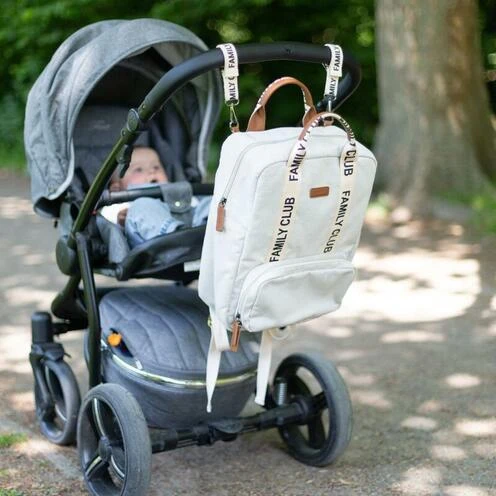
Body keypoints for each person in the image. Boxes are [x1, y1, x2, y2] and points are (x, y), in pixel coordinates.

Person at [100, 146, 210, 247]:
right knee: (142, 205)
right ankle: (176, 238)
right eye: (138, 169)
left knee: (210, 202)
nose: (151, 172)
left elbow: (197, 207)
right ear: (117, 188)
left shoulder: (179, 194)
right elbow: (108, 225)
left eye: (156, 167)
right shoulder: (116, 206)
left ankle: (212, 232)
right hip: (157, 246)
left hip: (198, 232)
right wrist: (120, 220)